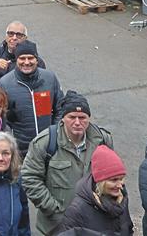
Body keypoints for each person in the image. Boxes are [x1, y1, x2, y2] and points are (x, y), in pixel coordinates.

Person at [22, 91, 110, 236]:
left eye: (82, 117)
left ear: (89, 118)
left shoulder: (102, 140)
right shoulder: (45, 142)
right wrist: (53, 210)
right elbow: (30, 178)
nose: (77, 122)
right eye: (72, 117)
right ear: (63, 118)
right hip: (55, 227)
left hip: (91, 225)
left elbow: (111, 176)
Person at [57, 145, 134, 235]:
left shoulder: (121, 198)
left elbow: (128, 228)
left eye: (121, 179)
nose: (120, 185)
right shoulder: (77, 210)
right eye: (114, 180)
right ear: (100, 181)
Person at [0, 24, 46, 89]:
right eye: (11, 34)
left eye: (19, 35)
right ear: (6, 36)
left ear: (25, 38)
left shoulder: (35, 61)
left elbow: (43, 84)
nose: (14, 38)